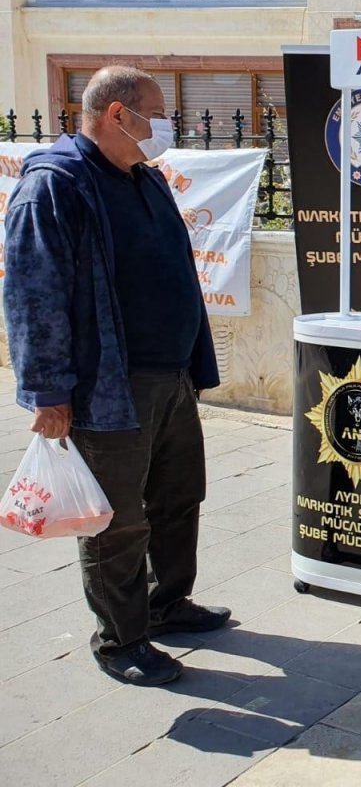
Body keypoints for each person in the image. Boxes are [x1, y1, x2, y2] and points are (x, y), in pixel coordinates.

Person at [3, 66, 228, 687]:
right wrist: (48, 393)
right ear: (117, 115)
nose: (167, 126)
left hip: (171, 374)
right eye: (157, 113)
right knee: (118, 519)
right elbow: (31, 293)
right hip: (110, 387)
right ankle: (121, 640)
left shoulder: (142, 178)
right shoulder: (55, 186)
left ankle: (167, 603)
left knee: (179, 497)